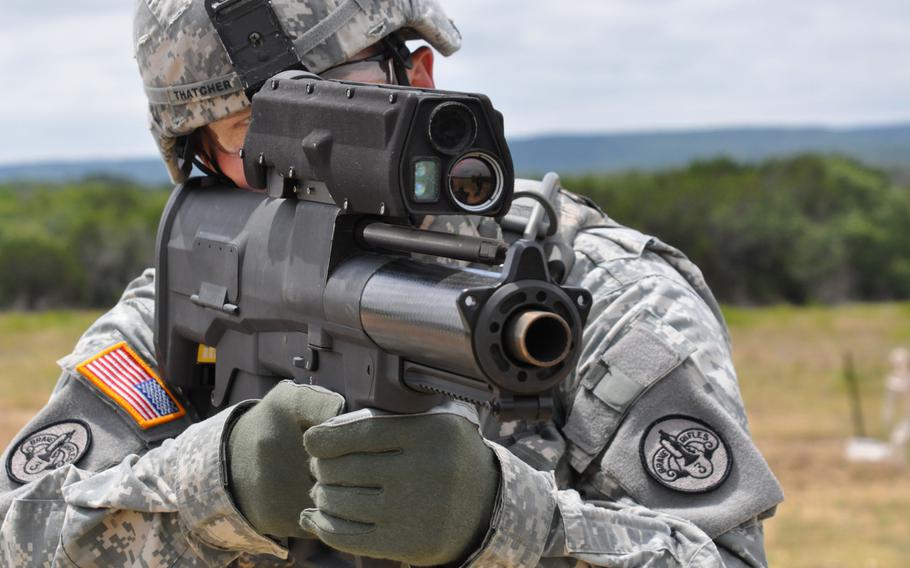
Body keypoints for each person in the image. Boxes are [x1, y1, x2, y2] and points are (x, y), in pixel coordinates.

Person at [0, 0, 783, 566]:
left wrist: (506, 521)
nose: (303, 154)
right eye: (250, 133)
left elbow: (721, 556)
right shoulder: (200, 277)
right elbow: (18, 534)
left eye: (340, 104)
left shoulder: (601, 292)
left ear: (422, 75)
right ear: (197, 152)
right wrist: (216, 483)